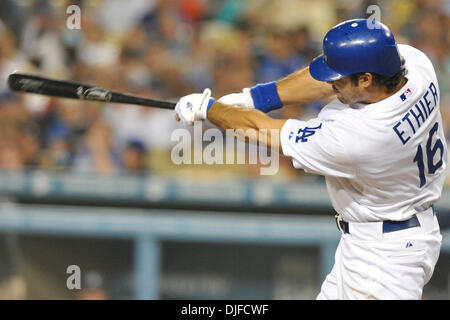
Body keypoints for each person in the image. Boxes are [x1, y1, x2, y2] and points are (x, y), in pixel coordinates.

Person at [174, 19, 447, 299]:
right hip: (386, 235)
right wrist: (255, 99)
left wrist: (210, 110)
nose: (331, 82)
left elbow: (262, 131)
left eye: (339, 76)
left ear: (366, 79)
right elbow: (331, 83)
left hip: (386, 260)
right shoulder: (416, 67)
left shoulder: (358, 137)